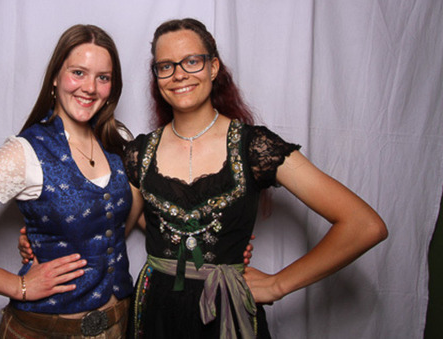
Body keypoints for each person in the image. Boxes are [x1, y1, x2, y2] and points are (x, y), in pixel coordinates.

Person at [121, 18, 388, 338]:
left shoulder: (254, 147)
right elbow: (119, 224)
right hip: (156, 312)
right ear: (157, 76)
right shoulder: (139, 152)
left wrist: (278, 284)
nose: (179, 74)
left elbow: (364, 225)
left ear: (213, 67)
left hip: (227, 314)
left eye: (192, 61)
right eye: (166, 66)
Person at [0, 24, 138, 338]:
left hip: (118, 323)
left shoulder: (117, 139)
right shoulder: (23, 153)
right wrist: (18, 285)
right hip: (47, 330)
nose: (90, 87)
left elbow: (123, 218)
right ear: (55, 77)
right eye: (78, 72)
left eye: (103, 77)